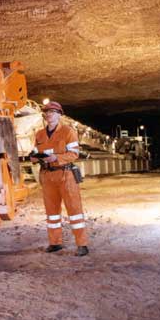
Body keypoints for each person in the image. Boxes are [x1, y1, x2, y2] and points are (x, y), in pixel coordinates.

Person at [30, 101, 89, 256]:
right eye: (47, 112)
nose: (49, 114)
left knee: (74, 210)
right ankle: (55, 243)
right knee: (52, 213)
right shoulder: (39, 134)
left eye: (52, 112)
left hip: (65, 175)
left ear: (59, 115)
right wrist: (35, 158)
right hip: (47, 176)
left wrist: (56, 157)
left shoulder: (68, 132)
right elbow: (35, 153)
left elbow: (74, 154)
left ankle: (82, 245)